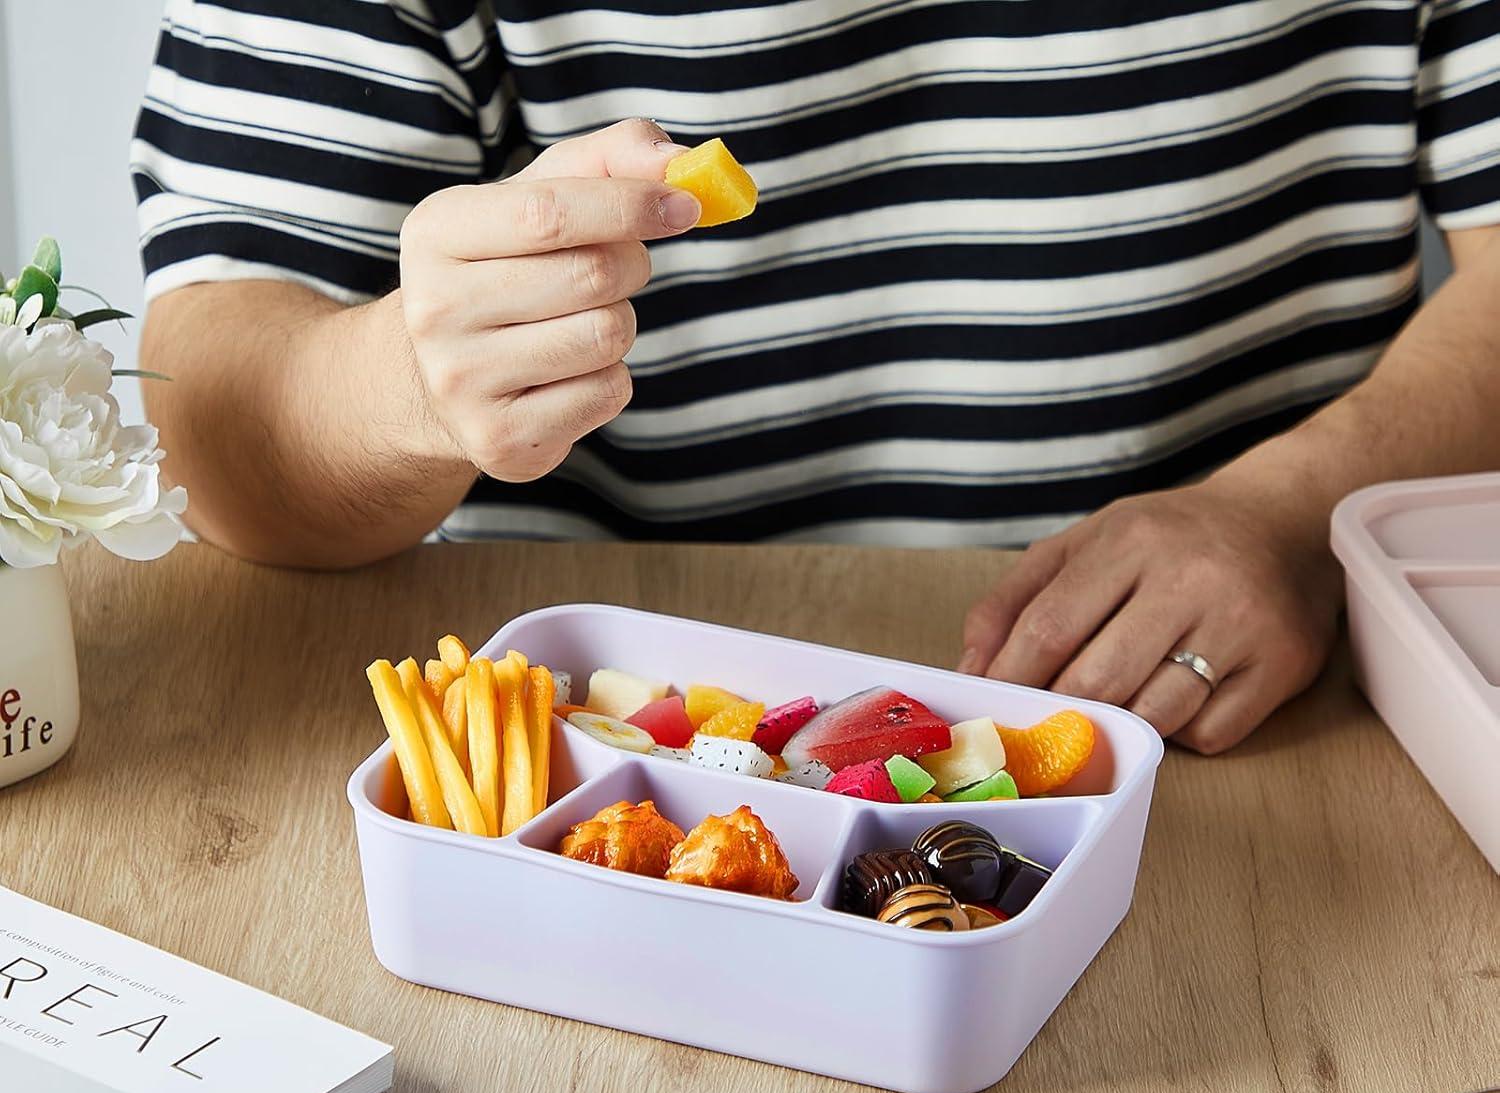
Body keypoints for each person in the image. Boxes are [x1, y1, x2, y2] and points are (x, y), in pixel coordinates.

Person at [132, 0, 1500, 752]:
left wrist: (1305, 510)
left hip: (1262, 700)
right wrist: (402, 386)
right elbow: (208, 418)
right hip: (592, 719)